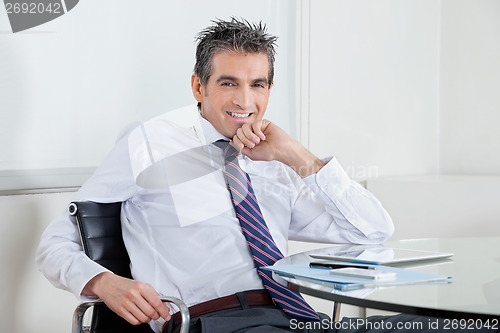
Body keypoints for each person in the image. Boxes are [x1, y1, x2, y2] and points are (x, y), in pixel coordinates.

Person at [37, 18, 397, 333]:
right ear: (198, 87)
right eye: (228, 84)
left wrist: (295, 155)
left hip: (294, 319)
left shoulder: (273, 158)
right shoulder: (150, 143)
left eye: (257, 85)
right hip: (210, 321)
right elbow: (54, 244)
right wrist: (103, 282)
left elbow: (372, 231)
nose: (245, 101)